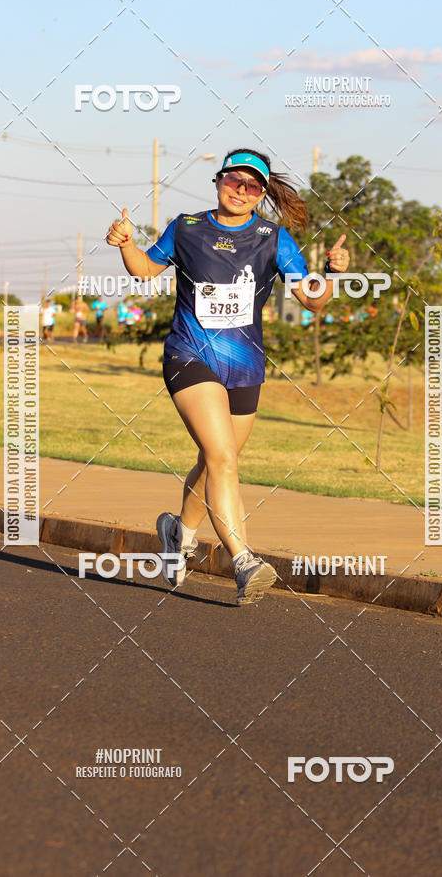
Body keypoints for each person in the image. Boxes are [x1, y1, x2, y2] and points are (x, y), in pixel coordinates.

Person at [105, 148, 350, 604]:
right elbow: (144, 270)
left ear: (262, 194)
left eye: (252, 186)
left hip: (244, 366)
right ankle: (243, 560)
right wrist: (125, 245)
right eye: (234, 181)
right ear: (217, 181)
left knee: (215, 460)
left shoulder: (272, 238)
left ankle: (179, 532)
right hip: (188, 356)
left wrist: (334, 274)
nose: (241, 191)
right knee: (224, 460)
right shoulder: (186, 227)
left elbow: (313, 301)